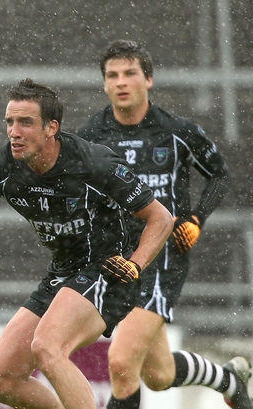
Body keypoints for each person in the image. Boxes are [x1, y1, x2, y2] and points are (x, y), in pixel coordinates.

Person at [0, 78, 173, 409]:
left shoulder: (92, 162)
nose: (14, 131)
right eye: (10, 122)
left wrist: (136, 263)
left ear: (51, 128)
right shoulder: (3, 165)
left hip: (109, 268)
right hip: (63, 273)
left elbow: (161, 218)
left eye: (26, 122)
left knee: (48, 347)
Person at [75, 40, 250, 409]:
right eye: (113, 75)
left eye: (130, 73)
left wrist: (197, 218)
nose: (121, 82)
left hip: (163, 258)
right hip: (119, 261)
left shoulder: (177, 132)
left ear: (148, 79)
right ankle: (228, 379)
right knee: (158, 374)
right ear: (104, 84)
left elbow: (219, 175)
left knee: (121, 362)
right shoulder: (90, 137)